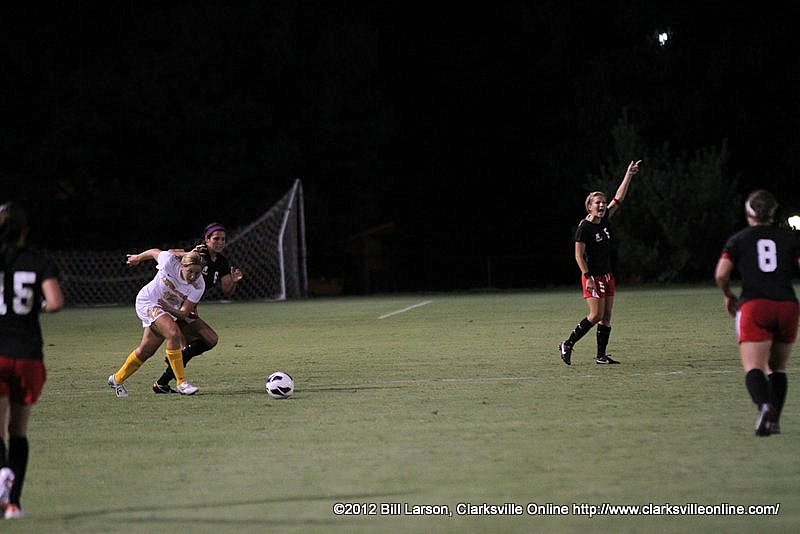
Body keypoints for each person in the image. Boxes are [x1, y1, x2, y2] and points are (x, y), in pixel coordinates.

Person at [714, 190, 800, 436]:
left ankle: (764, 407)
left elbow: (721, 274)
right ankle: (775, 421)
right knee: (778, 368)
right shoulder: (789, 239)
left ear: (748, 212)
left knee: (753, 366)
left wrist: (729, 295)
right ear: (773, 213)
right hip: (787, 305)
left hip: (755, 304)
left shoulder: (739, 239)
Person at [0, 202, 64, 520]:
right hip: (28, 355)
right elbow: (55, 302)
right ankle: (13, 504)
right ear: (25, 230)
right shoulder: (39, 261)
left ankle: (2, 474)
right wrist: (32, 306)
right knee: (18, 432)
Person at [558, 159, 641, 365]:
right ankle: (567, 344)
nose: (602, 205)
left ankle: (601, 356)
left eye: (603, 202)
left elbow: (619, 198)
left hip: (607, 274)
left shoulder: (604, 220)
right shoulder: (584, 228)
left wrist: (629, 175)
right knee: (595, 314)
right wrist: (588, 277)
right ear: (589, 206)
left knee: (607, 316)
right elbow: (578, 256)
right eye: (598, 203)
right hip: (592, 276)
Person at [151, 222, 243, 393]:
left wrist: (234, 281)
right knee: (208, 340)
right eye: (216, 238)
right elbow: (169, 254)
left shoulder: (222, 262)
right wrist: (186, 253)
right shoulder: (198, 254)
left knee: (189, 348)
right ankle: (170, 381)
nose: (220, 242)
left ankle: (164, 382)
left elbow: (227, 290)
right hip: (177, 306)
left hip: (189, 307)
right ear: (207, 239)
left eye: (223, 239)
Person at [108, 248, 205, 397]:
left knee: (146, 351)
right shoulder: (169, 262)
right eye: (190, 271)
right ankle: (181, 383)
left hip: (166, 310)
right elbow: (154, 252)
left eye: (197, 273)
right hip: (148, 301)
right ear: (182, 266)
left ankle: (117, 379)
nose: (193, 276)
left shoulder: (199, 285)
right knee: (173, 333)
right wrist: (138, 258)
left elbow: (184, 313)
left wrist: (167, 308)